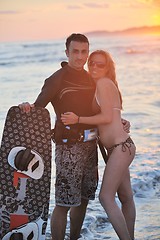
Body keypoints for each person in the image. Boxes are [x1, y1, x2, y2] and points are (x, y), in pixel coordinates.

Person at [19, 34, 130, 240]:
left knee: (83, 199)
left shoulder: (91, 78)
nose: (80, 57)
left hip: (91, 146)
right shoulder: (56, 79)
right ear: (67, 53)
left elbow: (103, 109)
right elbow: (38, 108)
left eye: (83, 52)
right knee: (64, 203)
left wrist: (119, 121)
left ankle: (75, 238)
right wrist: (26, 106)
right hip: (68, 149)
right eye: (75, 52)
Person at [61, 50, 136, 240]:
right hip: (119, 148)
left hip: (120, 148)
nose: (94, 66)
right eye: (92, 63)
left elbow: (107, 117)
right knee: (126, 198)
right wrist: (122, 120)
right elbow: (113, 115)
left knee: (106, 197)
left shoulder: (103, 83)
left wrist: (77, 119)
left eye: (100, 64)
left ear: (107, 67)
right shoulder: (102, 84)